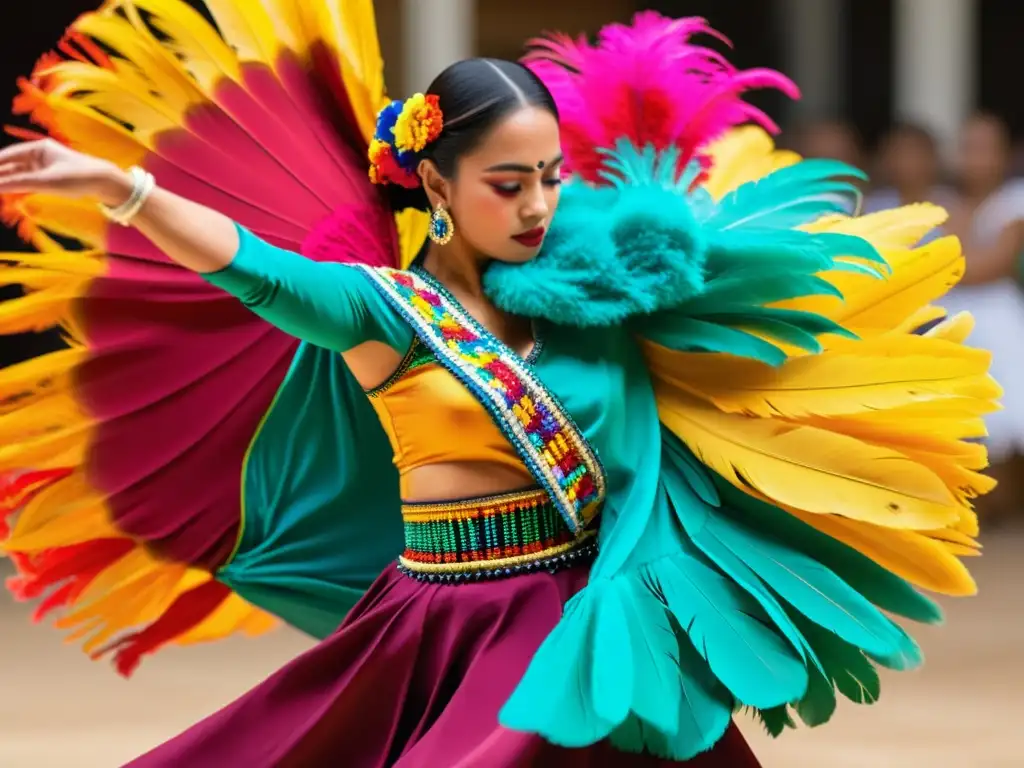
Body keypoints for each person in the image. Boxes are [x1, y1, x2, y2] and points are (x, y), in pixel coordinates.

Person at [0, 3, 996, 766]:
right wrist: (118, 189)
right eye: (505, 183)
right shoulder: (381, 312)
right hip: (443, 627)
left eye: (551, 177)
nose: (536, 205)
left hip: (593, 622)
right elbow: (256, 268)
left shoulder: (592, 295)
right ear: (435, 186)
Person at [941, 112, 1024, 522]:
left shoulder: (1015, 200)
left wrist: (944, 268)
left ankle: (1002, 513)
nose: (976, 159)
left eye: (985, 149)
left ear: (1004, 154)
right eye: (968, 148)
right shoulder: (948, 202)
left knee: (1003, 420)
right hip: (956, 319)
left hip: (999, 322)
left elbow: (991, 265)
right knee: (961, 419)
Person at [864, 122, 955, 242]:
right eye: (900, 153)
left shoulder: (952, 207)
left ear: (932, 158)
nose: (908, 162)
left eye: (916, 153)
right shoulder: (873, 206)